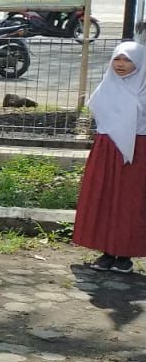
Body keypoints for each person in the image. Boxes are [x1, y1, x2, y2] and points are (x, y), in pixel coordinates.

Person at [73, 41, 146, 274]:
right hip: (107, 151)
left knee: (130, 202)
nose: (121, 64)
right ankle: (106, 252)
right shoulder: (106, 87)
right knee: (105, 198)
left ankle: (124, 255)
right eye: (117, 59)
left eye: (127, 60)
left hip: (138, 153)